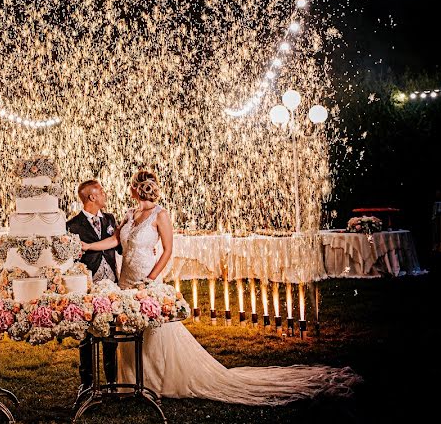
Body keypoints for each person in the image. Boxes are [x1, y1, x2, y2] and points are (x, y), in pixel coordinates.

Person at [81, 169, 361, 406]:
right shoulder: (129, 216)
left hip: (148, 278)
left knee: (154, 330)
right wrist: (89, 245)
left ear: (135, 189)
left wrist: (152, 278)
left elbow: (167, 251)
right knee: (132, 327)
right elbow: (116, 242)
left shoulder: (160, 215)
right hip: (127, 279)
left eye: (134, 187)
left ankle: (158, 381)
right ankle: (131, 381)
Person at [66, 179, 121, 396]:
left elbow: (119, 246)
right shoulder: (72, 225)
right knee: (86, 333)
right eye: (102, 192)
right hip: (88, 284)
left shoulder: (109, 219)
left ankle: (111, 381)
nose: (105, 195)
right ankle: (87, 383)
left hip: (111, 284)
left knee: (110, 331)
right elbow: (71, 257)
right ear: (92, 197)